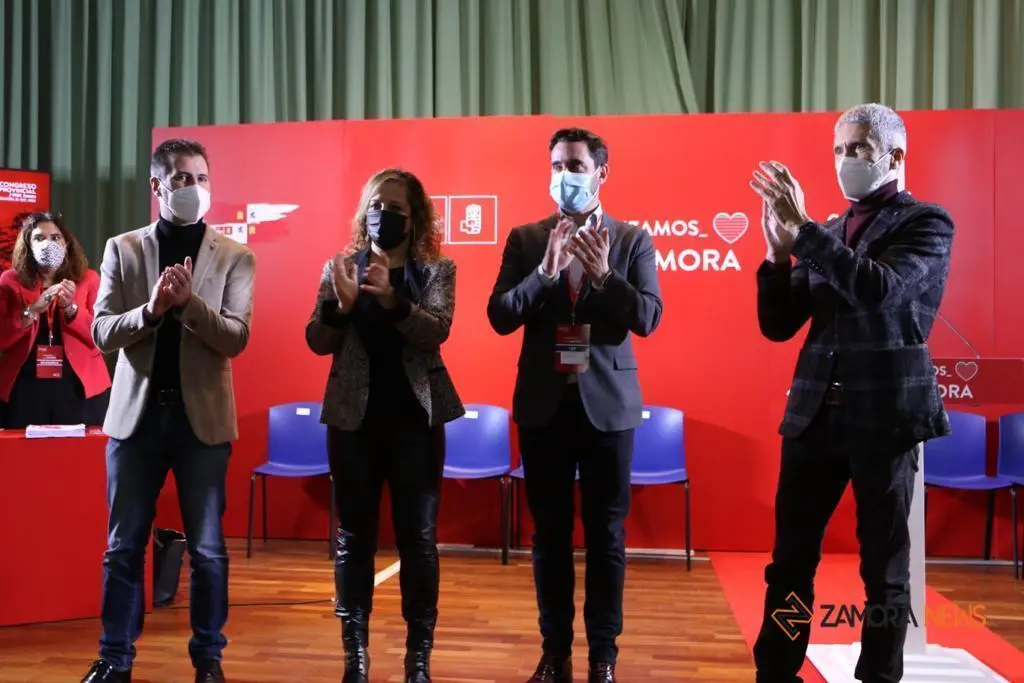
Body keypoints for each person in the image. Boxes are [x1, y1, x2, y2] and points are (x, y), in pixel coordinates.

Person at [749, 103, 954, 683]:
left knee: (885, 572)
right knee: (789, 563)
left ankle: (880, 675)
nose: (845, 160)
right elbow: (779, 324)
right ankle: (778, 667)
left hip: (885, 420)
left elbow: (878, 291)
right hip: (814, 418)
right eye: (839, 149)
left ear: (895, 157)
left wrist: (805, 233)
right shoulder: (830, 233)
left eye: (858, 149)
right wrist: (776, 253)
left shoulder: (928, 224)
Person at [487, 128, 663, 683]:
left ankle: (603, 657)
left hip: (607, 411)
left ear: (601, 173)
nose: (565, 174)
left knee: (607, 536)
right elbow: (500, 315)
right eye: (558, 164)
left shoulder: (632, 241)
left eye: (576, 165)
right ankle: (554, 651)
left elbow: (648, 318)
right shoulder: (525, 238)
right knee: (550, 537)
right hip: (544, 409)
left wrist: (607, 276)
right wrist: (544, 274)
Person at [82, 139, 256, 683]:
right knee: (122, 547)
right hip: (135, 421)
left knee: (207, 550)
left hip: (200, 423)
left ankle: (209, 662)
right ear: (157, 187)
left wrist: (188, 306)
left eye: (202, 177)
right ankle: (114, 659)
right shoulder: (122, 249)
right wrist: (153, 310)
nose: (194, 188)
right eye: (182, 179)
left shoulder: (235, 256)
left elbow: (235, 338)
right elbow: (101, 331)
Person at [306, 168, 464, 683]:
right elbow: (317, 340)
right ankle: (355, 657)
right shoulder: (340, 267)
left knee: (418, 540)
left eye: (396, 208)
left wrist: (394, 301)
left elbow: (434, 332)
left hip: (415, 423)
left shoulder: (436, 270)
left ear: (414, 217)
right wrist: (340, 307)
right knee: (354, 539)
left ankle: (418, 659)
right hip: (353, 423)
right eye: (377, 204)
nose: (384, 214)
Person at [0, 212, 110, 428]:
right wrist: (32, 310)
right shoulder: (10, 281)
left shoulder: (88, 279)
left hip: (80, 388)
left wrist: (70, 308)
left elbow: (100, 336)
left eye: (55, 237)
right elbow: (3, 338)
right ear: (28, 245)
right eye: (39, 238)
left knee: (77, 458)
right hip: (24, 389)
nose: (48, 243)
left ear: (66, 242)